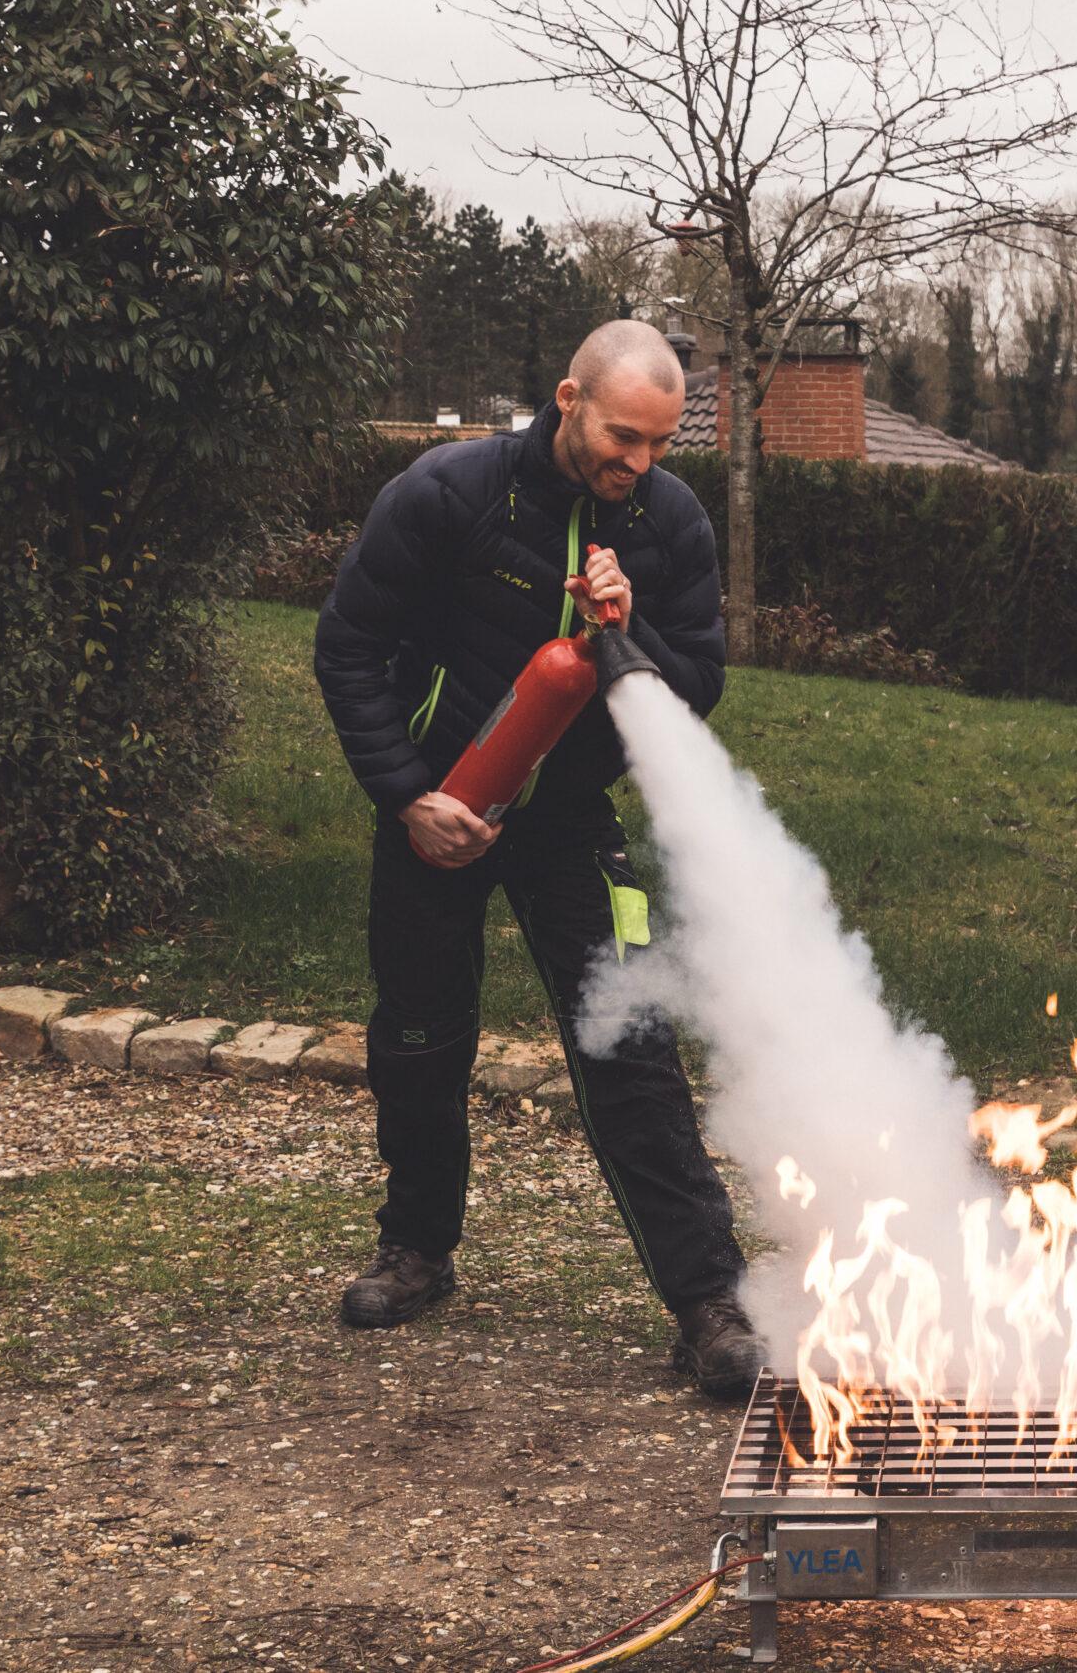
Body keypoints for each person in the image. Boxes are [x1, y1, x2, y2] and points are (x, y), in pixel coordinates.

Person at [312, 319, 764, 1400]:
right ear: (567, 399)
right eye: (621, 437)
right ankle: (415, 1251)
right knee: (420, 1037)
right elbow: (348, 648)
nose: (638, 466)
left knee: (634, 1044)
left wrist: (629, 631)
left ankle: (708, 1303)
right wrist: (408, 797)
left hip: (568, 817)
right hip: (441, 806)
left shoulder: (671, 522)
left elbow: (696, 683)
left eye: (658, 445)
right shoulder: (444, 494)